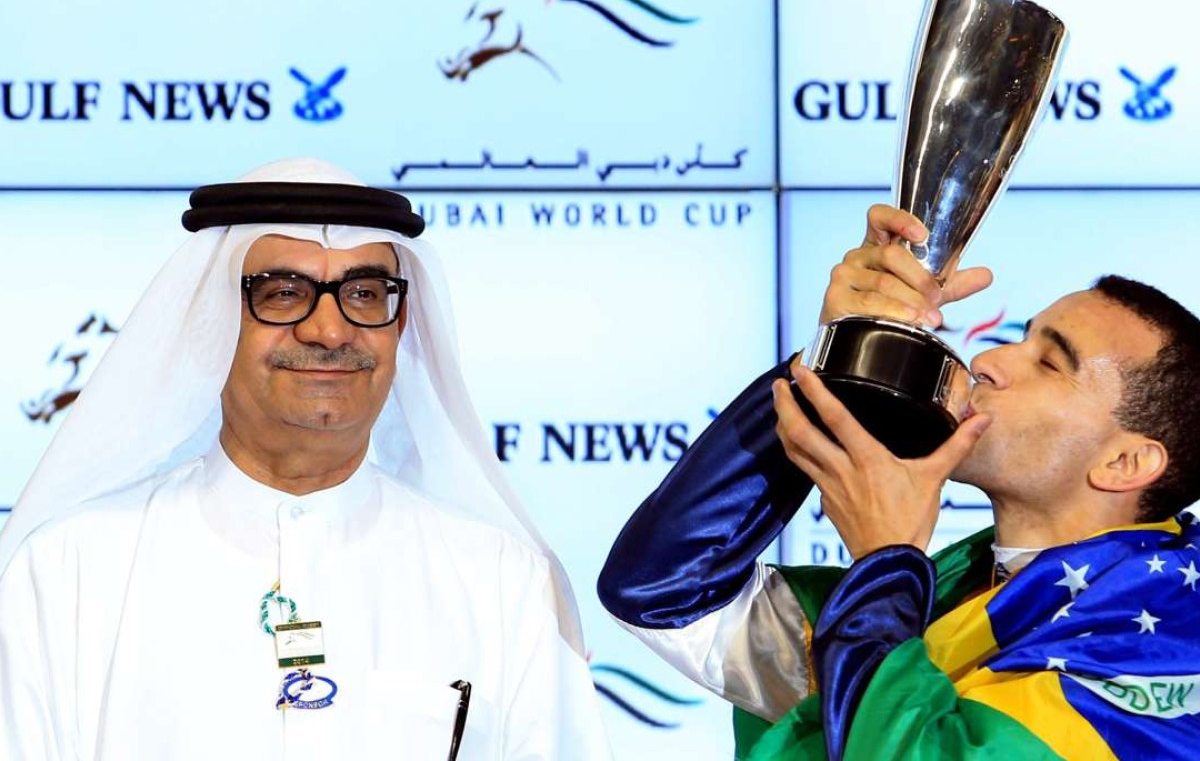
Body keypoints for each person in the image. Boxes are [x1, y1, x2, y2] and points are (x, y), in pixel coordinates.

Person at [0, 158, 611, 760]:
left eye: (366, 294)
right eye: (284, 294)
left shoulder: (501, 583)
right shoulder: (68, 574)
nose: (330, 330)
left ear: (399, 328)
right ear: (212, 322)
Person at [598, 205, 1200, 759]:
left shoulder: (1166, 652)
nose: (989, 360)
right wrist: (843, 351)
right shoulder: (958, 588)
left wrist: (886, 560)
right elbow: (665, 591)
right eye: (1021, 337)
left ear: (1125, 463)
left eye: (1048, 362)